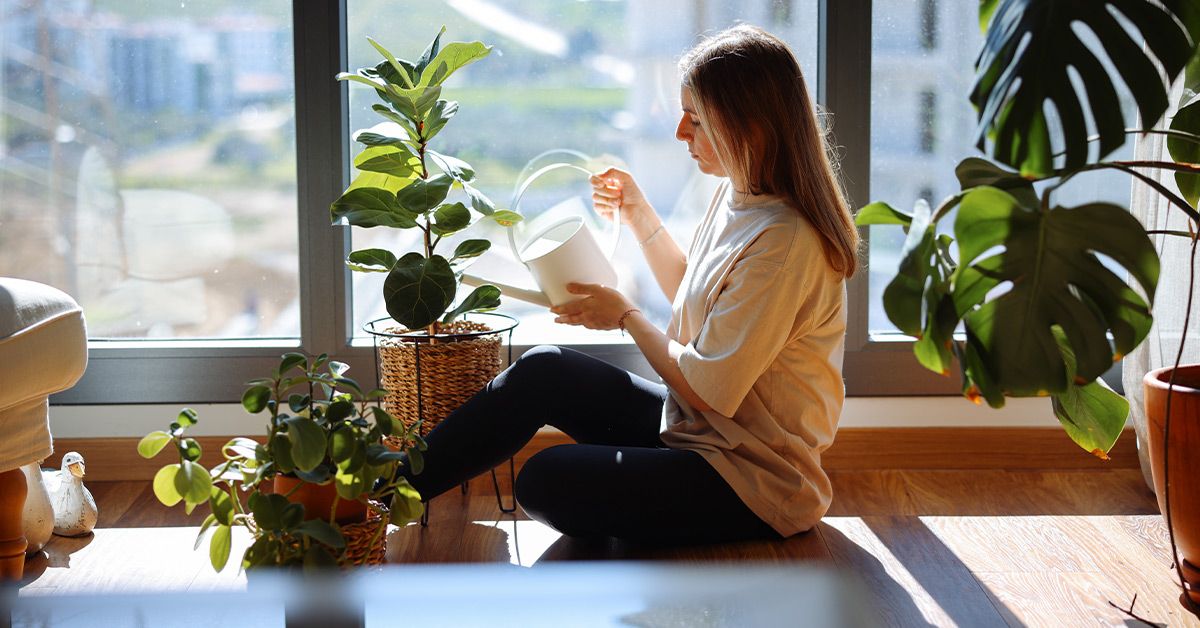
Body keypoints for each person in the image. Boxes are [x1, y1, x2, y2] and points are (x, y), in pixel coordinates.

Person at [399, 24, 858, 545]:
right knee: (544, 368)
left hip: (752, 480)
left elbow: (709, 391)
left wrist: (624, 316)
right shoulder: (741, 195)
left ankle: (373, 496)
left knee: (546, 480)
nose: (681, 133)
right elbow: (699, 292)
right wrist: (640, 216)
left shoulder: (786, 241)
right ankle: (376, 492)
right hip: (697, 435)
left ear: (749, 126)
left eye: (697, 119)